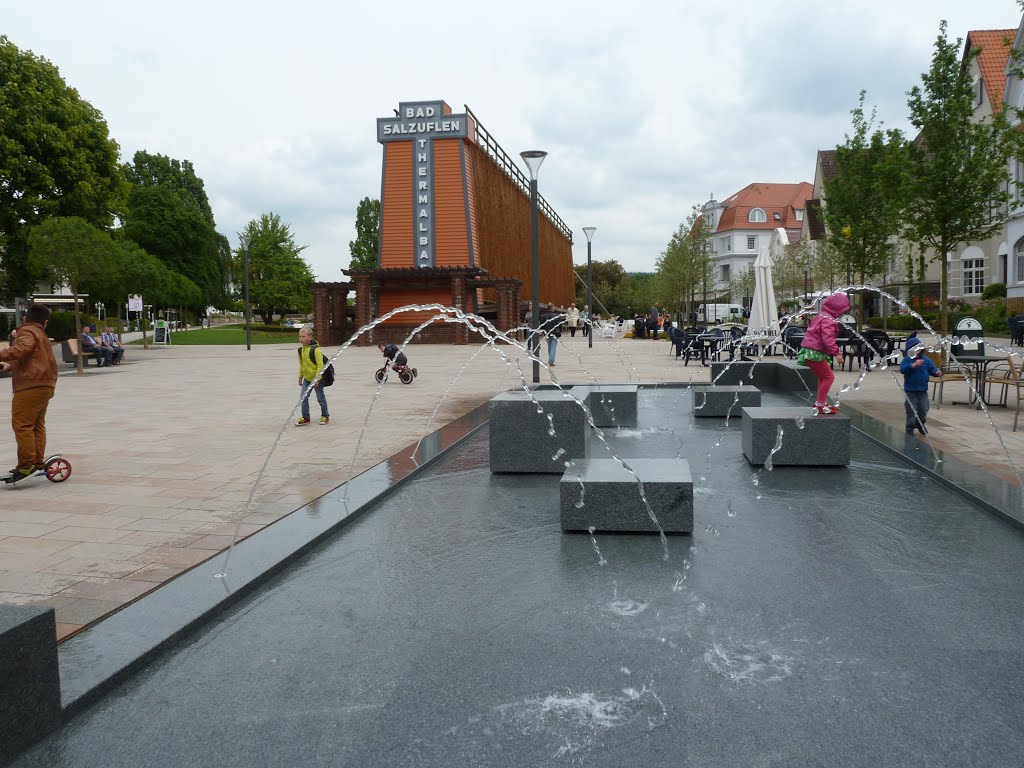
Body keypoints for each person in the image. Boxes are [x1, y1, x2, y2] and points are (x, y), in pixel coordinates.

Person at [0, 305, 58, 482]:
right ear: (45, 322)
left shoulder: (26, 331)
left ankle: (26, 466)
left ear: (25, 318)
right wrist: (10, 366)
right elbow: (31, 357)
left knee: (22, 425)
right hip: (46, 384)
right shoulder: (41, 333)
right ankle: (37, 462)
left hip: (29, 385)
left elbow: (22, 349)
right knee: (36, 425)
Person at [795, 292, 850, 415]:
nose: (842, 313)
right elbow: (827, 338)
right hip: (814, 352)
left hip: (810, 351)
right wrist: (837, 353)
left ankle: (821, 402)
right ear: (836, 308)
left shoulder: (821, 316)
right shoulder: (828, 320)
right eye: (842, 310)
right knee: (829, 377)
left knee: (822, 377)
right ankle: (820, 404)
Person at [900, 335, 941, 435]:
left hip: (923, 390)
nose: (917, 351)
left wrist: (937, 372)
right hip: (910, 390)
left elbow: (932, 369)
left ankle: (920, 424)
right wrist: (912, 365)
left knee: (923, 409)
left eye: (919, 348)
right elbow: (902, 369)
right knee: (911, 410)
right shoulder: (907, 360)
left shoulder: (926, 360)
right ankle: (909, 427)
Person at [296, 324, 329, 425]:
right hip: (307, 379)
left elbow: (320, 365)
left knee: (320, 398)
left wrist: (317, 379)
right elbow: (302, 365)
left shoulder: (316, 350)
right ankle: (306, 418)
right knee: (303, 397)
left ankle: (325, 415)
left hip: (318, 379)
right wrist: (300, 377)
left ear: (310, 337)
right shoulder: (300, 350)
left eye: (303, 337)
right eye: (300, 337)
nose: (301, 339)